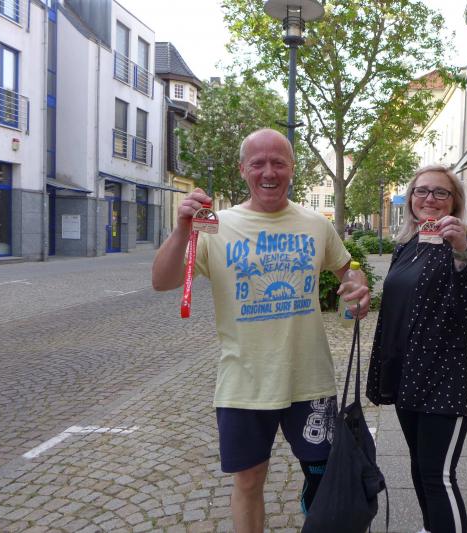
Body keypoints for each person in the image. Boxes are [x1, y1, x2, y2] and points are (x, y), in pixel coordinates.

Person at [151, 128, 370, 533]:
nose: (269, 172)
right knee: (249, 482)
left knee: (323, 478)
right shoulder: (216, 227)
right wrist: (182, 228)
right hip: (244, 382)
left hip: (309, 379)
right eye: (258, 163)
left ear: (292, 169)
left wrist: (358, 292)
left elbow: (350, 273)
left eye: (278, 163)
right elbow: (162, 281)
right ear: (243, 170)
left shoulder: (315, 224)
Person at [366, 165, 467, 533]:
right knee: (419, 464)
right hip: (409, 372)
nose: (429, 199)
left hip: (447, 373)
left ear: (454, 201)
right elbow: (397, 306)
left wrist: (462, 251)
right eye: (421, 191)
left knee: (438, 474)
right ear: (411, 199)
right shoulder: (407, 243)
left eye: (440, 192)